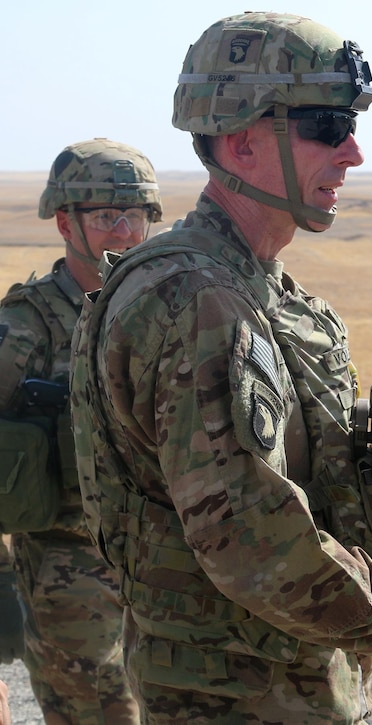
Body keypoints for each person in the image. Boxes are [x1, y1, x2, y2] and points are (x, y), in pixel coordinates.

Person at [69, 12, 372, 724]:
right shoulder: (200, 303)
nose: (353, 154)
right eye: (327, 128)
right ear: (243, 141)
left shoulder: (258, 292)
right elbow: (254, 541)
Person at [0, 138, 161, 723]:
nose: (123, 231)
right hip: (69, 578)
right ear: (66, 222)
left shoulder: (172, 309)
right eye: (104, 216)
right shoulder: (24, 327)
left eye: (135, 215)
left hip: (168, 570)